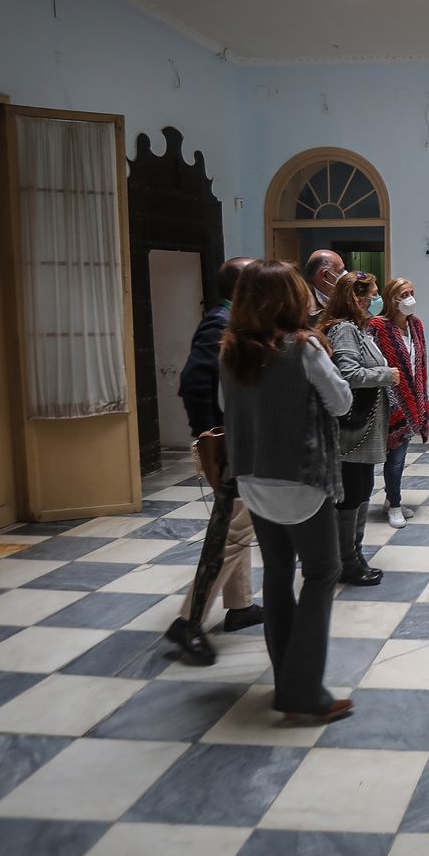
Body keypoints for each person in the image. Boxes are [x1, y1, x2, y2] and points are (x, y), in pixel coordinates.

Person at [219, 259, 353, 724]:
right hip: (300, 478)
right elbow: (340, 402)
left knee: (277, 574)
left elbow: (230, 405)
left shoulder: (232, 349)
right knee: (321, 572)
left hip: (253, 478)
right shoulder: (303, 347)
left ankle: (286, 678)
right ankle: (303, 692)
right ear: (293, 298)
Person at [166, 257, 261, 664]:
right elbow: (194, 382)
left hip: (241, 445)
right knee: (234, 530)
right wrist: (211, 435)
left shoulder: (237, 321)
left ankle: (239, 606)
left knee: (238, 526)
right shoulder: (220, 323)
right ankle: (188, 622)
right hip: (229, 447)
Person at [319, 271, 397, 585]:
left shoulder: (360, 329)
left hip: (364, 427)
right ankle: (346, 561)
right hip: (351, 429)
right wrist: (386, 374)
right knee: (352, 493)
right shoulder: (345, 330)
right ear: (358, 297)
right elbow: (347, 373)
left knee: (361, 489)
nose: (376, 299)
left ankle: (354, 553)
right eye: (373, 293)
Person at [369, 278, 429, 529]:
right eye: (404, 294)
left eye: (412, 293)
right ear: (392, 298)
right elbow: (373, 362)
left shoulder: (415, 325)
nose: (410, 299)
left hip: (411, 399)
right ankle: (394, 506)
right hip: (387, 402)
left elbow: (420, 362)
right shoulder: (377, 327)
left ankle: (391, 499)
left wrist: (421, 398)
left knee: (399, 457)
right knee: (394, 459)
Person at [304, 249, 347, 315]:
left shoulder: (338, 298)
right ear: (325, 275)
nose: (346, 274)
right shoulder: (305, 307)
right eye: (341, 271)